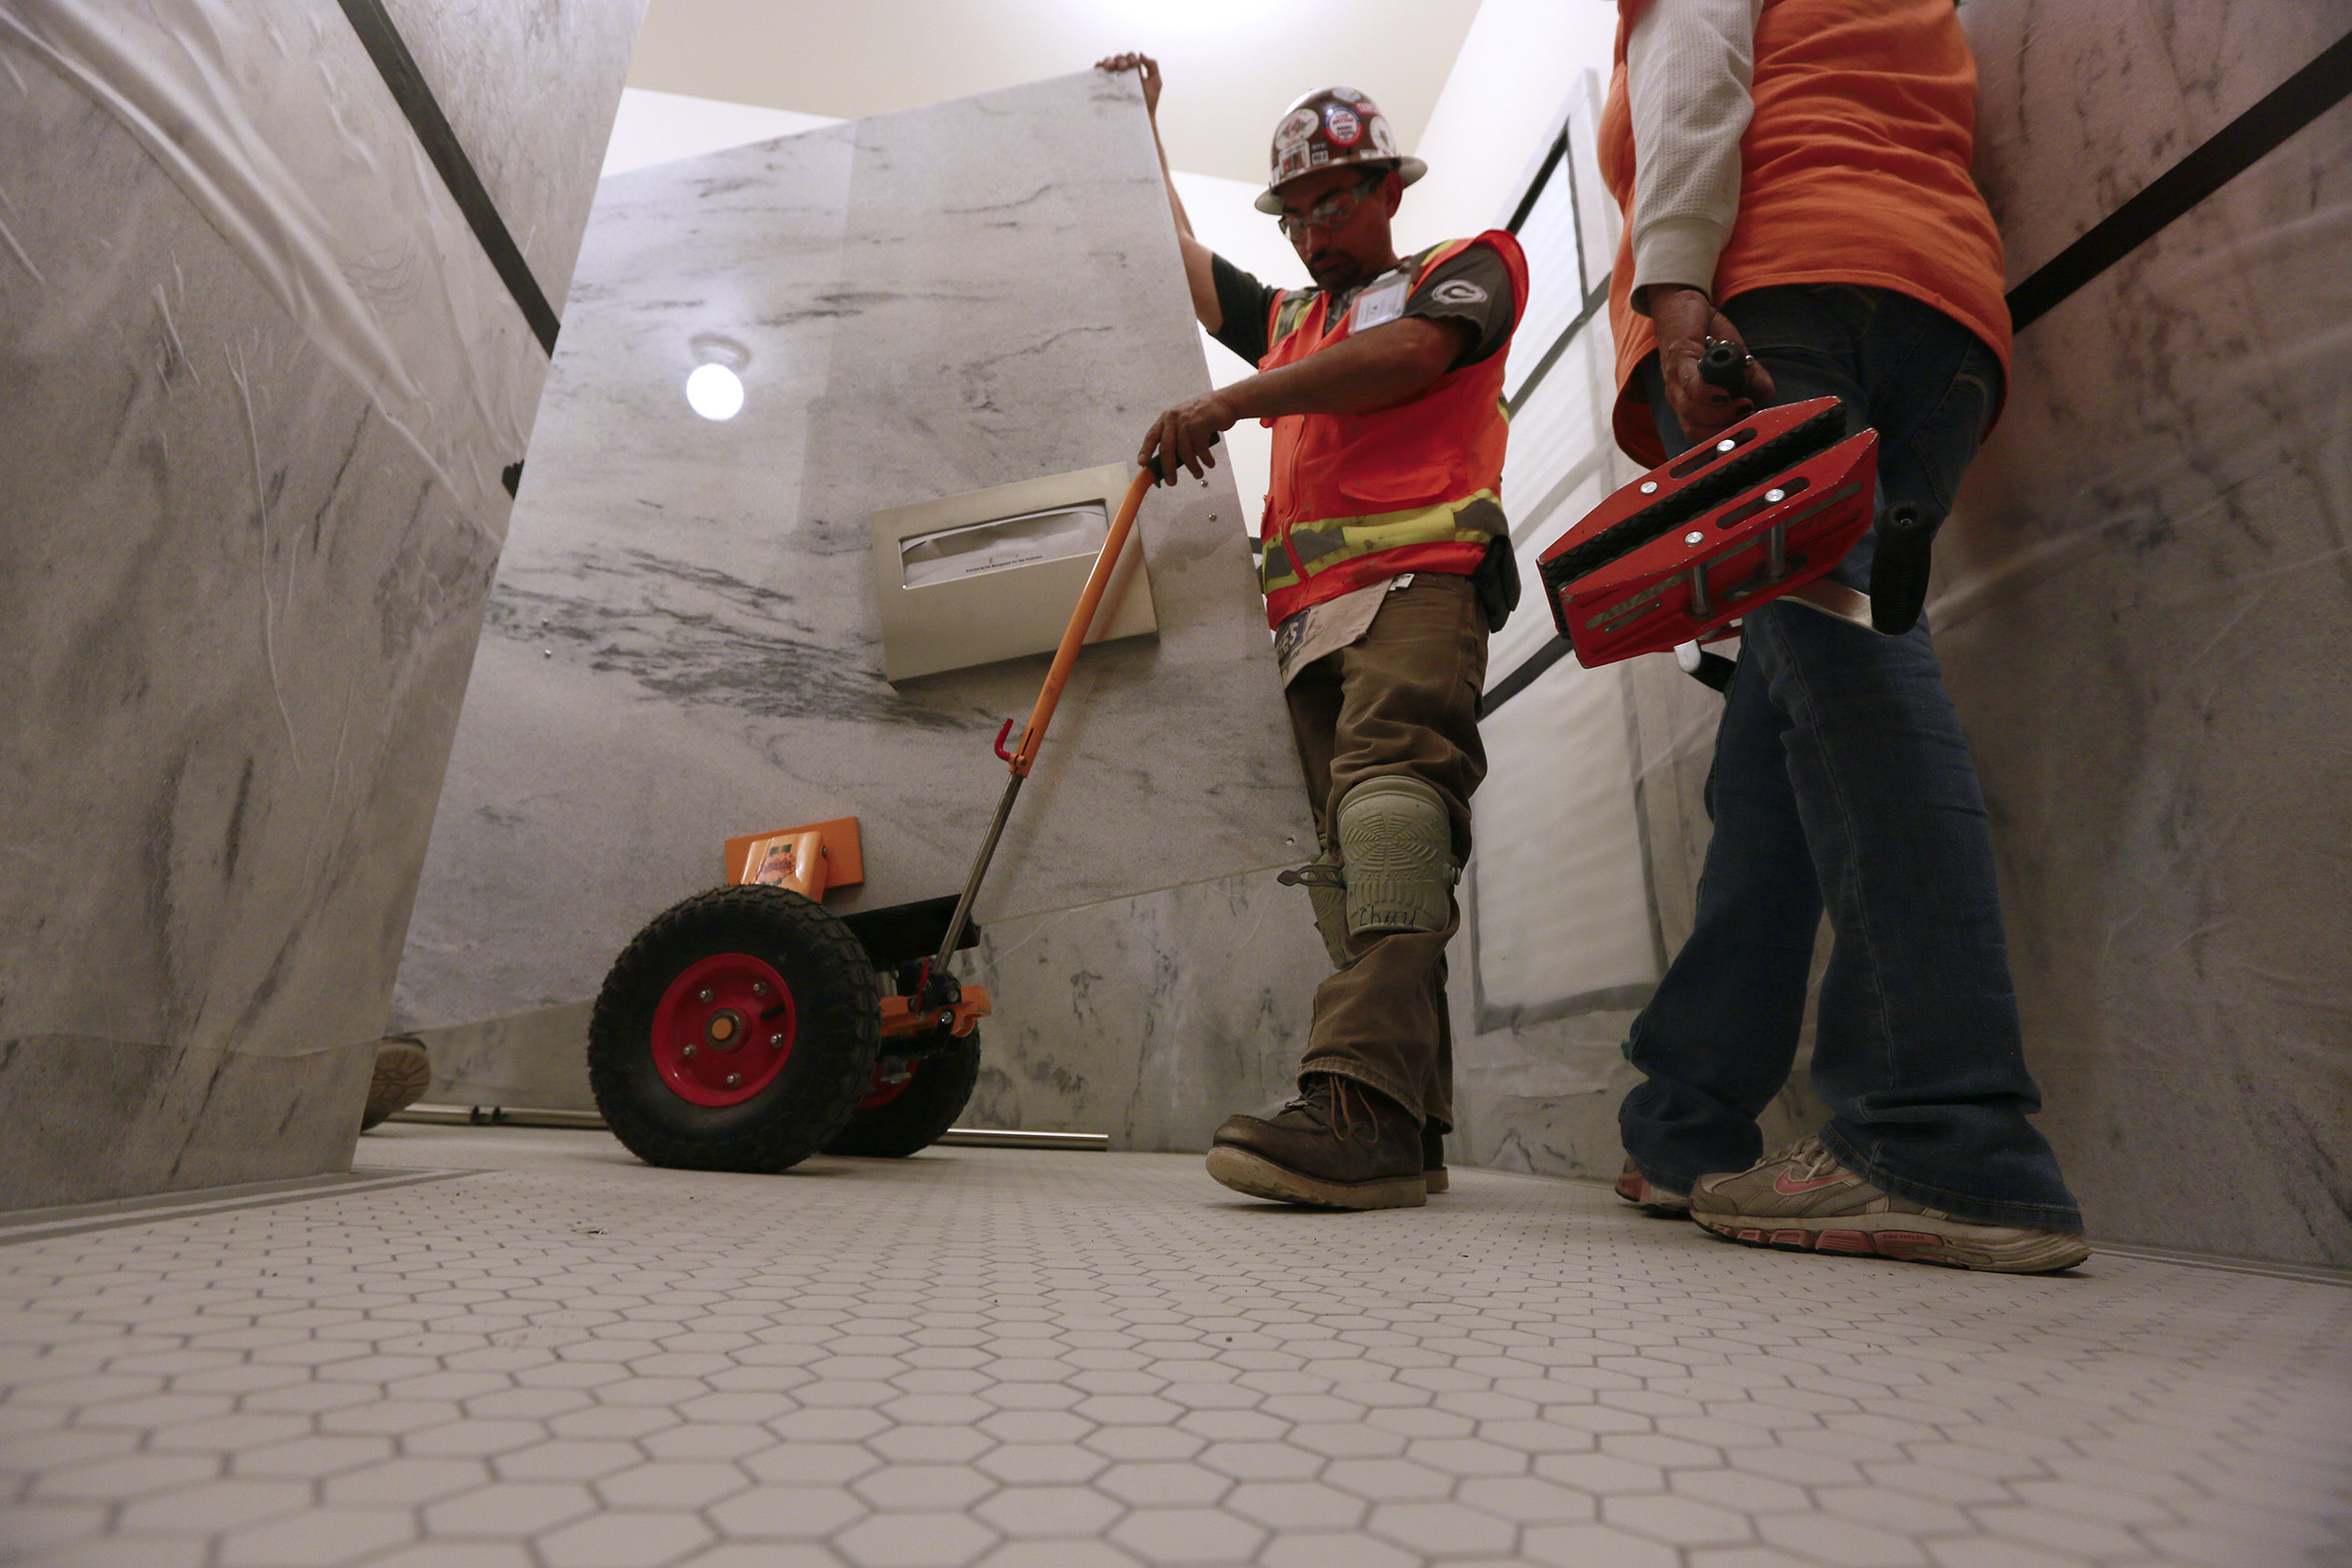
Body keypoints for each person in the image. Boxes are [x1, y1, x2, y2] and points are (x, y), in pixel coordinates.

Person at [1598, 0, 2088, 1270]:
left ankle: (1941, 1129)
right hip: (1945, 331)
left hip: (1782, 311)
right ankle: (1687, 1118)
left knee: (1853, 672)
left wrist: (1681, 304)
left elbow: (1693, 86)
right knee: (1784, 724)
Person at [1097, 53, 1526, 1210]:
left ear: (1389, 189)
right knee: (1356, 872)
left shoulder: (1464, 267)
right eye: (1294, 211)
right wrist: (1141, 125)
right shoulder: (1290, 318)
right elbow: (1185, 267)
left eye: (1334, 200)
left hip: (1417, 590)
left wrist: (1228, 402)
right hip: (1305, 628)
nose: (1312, 229)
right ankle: (1410, 1125)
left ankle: (1357, 1100)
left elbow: (1411, 358)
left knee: (1393, 816)